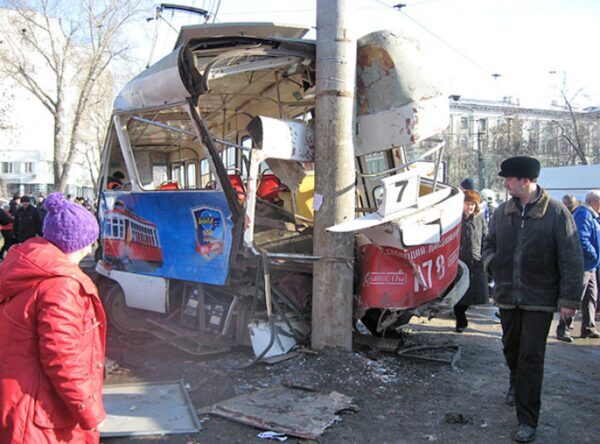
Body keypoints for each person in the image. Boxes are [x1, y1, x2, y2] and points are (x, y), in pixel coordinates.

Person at [482, 156, 583, 443]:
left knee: (531, 358)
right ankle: (515, 383)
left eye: (509, 179)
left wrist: (568, 300)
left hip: (539, 299)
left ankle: (528, 420)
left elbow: (571, 258)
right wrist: (493, 263)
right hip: (507, 297)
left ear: (525, 181)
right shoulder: (503, 212)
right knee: (511, 349)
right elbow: (489, 244)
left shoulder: (556, 213)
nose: (505, 184)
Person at [0, 192, 105, 442]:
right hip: (40, 412)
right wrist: (88, 410)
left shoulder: (29, 268)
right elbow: (62, 358)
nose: (91, 250)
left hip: (18, 399)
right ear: (78, 243)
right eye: (90, 242)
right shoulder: (61, 286)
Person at [556, 190, 600, 341]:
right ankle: (563, 329)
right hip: (583, 264)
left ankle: (588, 327)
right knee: (574, 297)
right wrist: (594, 254)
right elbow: (581, 238)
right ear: (594, 201)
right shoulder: (584, 214)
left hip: (591, 265)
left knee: (591, 298)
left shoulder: (592, 216)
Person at [454, 190, 489, 332]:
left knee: (477, 293)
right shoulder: (456, 218)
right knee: (460, 294)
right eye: (468, 204)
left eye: (473, 205)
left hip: (476, 261)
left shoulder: (479, 218)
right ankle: (460, 319)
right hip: (460, 262)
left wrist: (485, 254)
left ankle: (462, 314)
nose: (471, 207)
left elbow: (486, 237)